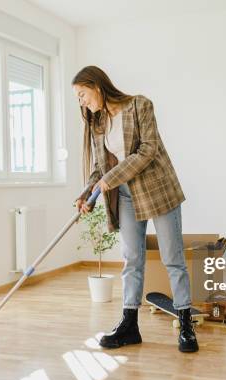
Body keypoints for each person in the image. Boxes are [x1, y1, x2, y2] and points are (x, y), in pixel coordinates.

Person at [72, 66, 198, 353]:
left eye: (82, 94)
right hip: (126, 195)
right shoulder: (99, 123)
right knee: (131, 259)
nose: (81, 102)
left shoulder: (140, 105)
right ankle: (129, 325)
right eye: (78, 98)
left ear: (97, 85)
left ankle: (186, 323)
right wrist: (85, 194)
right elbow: (101, 169)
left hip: (157, 189)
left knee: (172, 257)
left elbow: (147, 150)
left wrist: (108, 179)